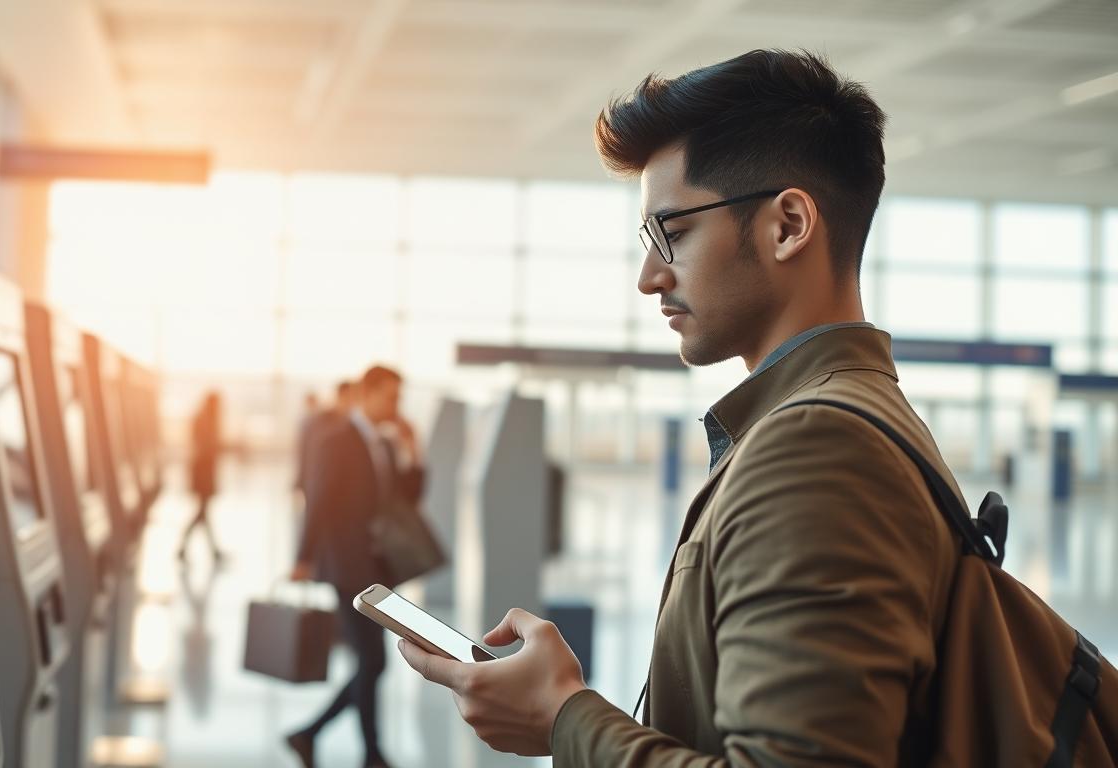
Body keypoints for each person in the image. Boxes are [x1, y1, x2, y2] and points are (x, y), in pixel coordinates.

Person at [397, 49, 969, 766]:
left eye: (675, 231)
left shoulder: (819, 447)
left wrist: (563, 720)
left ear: (788, 224)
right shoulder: (852, 415)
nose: (649, 276)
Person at [287, 365, 423, 768]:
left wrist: (412, 451)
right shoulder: (338, 440)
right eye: (391, 397)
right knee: (373, 660)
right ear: (368, 393)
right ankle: (367, 752)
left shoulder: (382, 443)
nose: (397, 406)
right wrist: (304, 557)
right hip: (347, 565)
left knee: (371, 661)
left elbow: (408, 499)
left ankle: (315, 736)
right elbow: (320, 500)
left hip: (373, 564)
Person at [178, 391, 228, 561]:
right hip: (202, 473)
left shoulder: (202, 418)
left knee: (203, 513)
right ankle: (184, 547)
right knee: (202, 512)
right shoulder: (205, 421)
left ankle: (212, 551)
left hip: (202, 471)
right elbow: (206, 448)